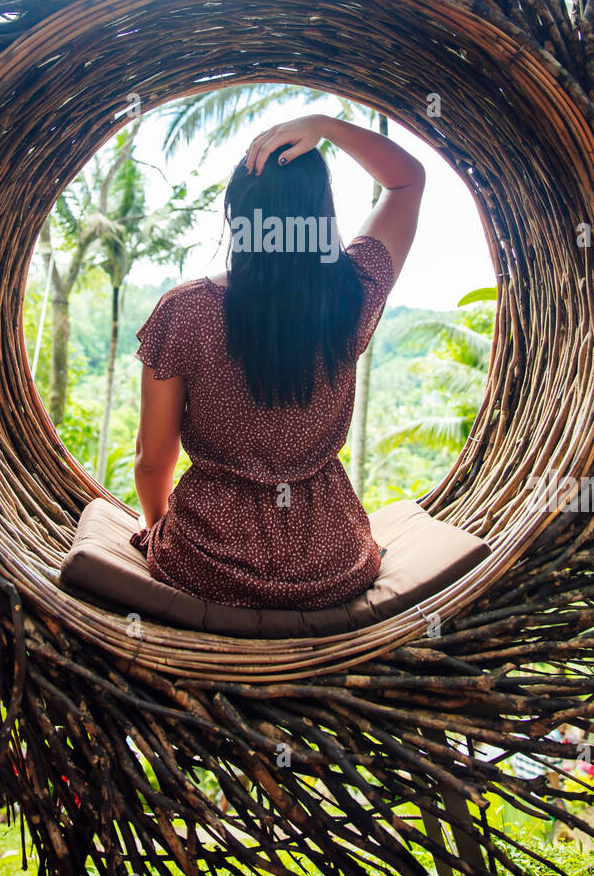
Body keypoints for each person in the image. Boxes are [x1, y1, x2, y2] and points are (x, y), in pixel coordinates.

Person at [130, 113, 425, 609]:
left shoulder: (184, 311)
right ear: (322, 214)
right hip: (331, 566)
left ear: (236, 213)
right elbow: (408, 181)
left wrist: (158, 529)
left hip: (205, 560)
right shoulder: (354, 293)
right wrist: (328, 126)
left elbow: (152, 461)